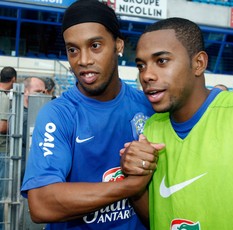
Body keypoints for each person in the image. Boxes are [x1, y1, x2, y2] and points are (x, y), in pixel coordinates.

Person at [121, 17, 233, 229]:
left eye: (161, 61)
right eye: (141, 66)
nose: (147, 75)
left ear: (199, 64)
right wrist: (133, 179)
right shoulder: (150, 129)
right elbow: (156, 219)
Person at [20, 0, 161, 229]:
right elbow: (41, 204)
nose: (83, 60)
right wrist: (129, 186)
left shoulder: (147, 107)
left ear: (118, 45)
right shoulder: (58, 115)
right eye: (72, 49)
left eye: (95, 45)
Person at [0, 66, 17, 230]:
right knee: (1, 194)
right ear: (13, 79)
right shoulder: (3, 98)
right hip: (2, 150)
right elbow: (2, 127)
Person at [22, 77, 47, 178]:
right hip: (21, 166)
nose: (41, 95)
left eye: (43, 92)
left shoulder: (46, 114)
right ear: (25, 92)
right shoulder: (16, 114)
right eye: (37, 91)